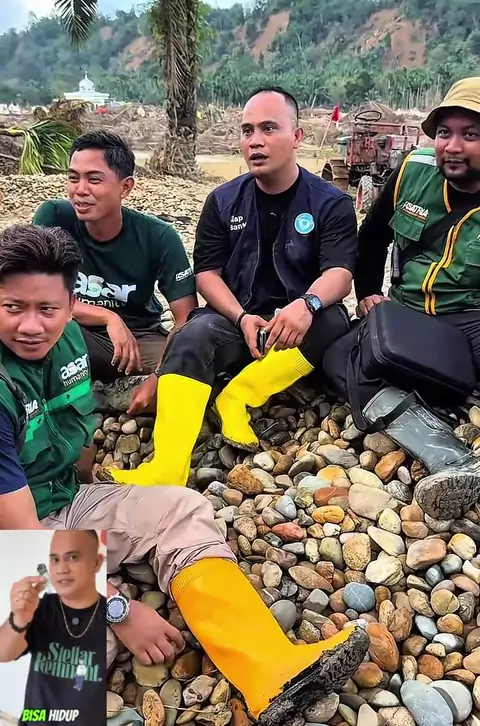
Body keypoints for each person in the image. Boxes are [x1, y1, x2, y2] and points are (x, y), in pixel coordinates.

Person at [0, 223, 369, 726]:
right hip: (14, 528)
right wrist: (119, 609)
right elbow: (21, 534)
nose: (31, 325)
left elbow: (78, 442)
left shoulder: (67, 343)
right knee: (76, 655)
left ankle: (271, 671)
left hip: (58, 497)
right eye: (13, 307)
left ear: (71, 306)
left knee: (182, 507)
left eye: (47, 309)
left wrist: (95, 523)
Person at [98, 87, 358, 487]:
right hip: (238, 321)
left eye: (269, 128)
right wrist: (240, 317)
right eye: (247, 130)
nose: (255, 141)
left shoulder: (330, 202)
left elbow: (339, 273)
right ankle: (167, 466)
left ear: (297, 136)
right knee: (191, 333)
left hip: (296, 326)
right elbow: (207, 273)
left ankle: (239, 396)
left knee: (334, 319)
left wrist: (306, 304)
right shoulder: (223, 201)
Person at [323, 76, 480, 521]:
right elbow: (371, 238)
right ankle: (450, 456)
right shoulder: (413, 171)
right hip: (406, 313)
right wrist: (369, 293)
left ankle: (440, 392)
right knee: (338, 359)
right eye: (445, 132)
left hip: (468, 316)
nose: (452, 146)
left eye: (470, 135)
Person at [33, 130, 197, 415]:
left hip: (138, 338)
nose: (80, 190)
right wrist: (108, 316)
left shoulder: (158, 237)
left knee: (193, 373)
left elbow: (186, 318)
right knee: (33, 331)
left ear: (125, 187)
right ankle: (92, 394)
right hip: (72, 329)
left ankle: (92, 393)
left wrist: (159, 375)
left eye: (94, 179)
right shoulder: (54, 218)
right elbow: (35, 295)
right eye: (73, 178)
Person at [0, 530, 106, 726]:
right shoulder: (41, 608)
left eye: (73, 557)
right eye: (55, 559)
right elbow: (2, 653)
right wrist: (18, 619)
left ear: (97, 562)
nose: (61, 569)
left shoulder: (111, 616)